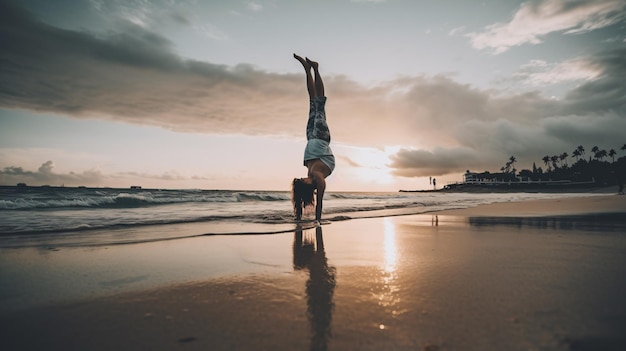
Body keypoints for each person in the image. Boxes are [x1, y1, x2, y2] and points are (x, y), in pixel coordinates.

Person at [292, 54, 335, 223]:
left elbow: (299, 201)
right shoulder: (318, 179)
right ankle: (315, 68)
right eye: (303, 181)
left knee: (312, 101)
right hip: (321, 137)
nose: (303, 177)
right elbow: (320, 204)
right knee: (319, 102)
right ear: (309, 184)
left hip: (311, 139)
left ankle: (307, 69)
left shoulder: (310, 175)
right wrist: (317, 221)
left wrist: (298, 218)